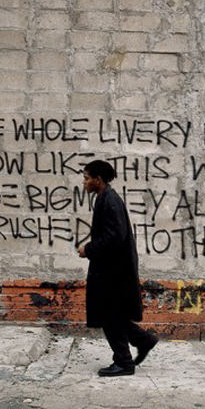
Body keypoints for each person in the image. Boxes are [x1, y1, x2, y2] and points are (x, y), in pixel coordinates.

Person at [77, 160, 158, 377]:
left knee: (109, 316)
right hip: (112, 269)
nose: (84, 183)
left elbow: (114, 236)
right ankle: (144, 340)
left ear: (98, 180)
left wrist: (89, 249)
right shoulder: (105, 198)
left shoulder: (109, 201)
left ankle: (123, 362)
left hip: (113, 272)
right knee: (113, 314)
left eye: (87, 178)